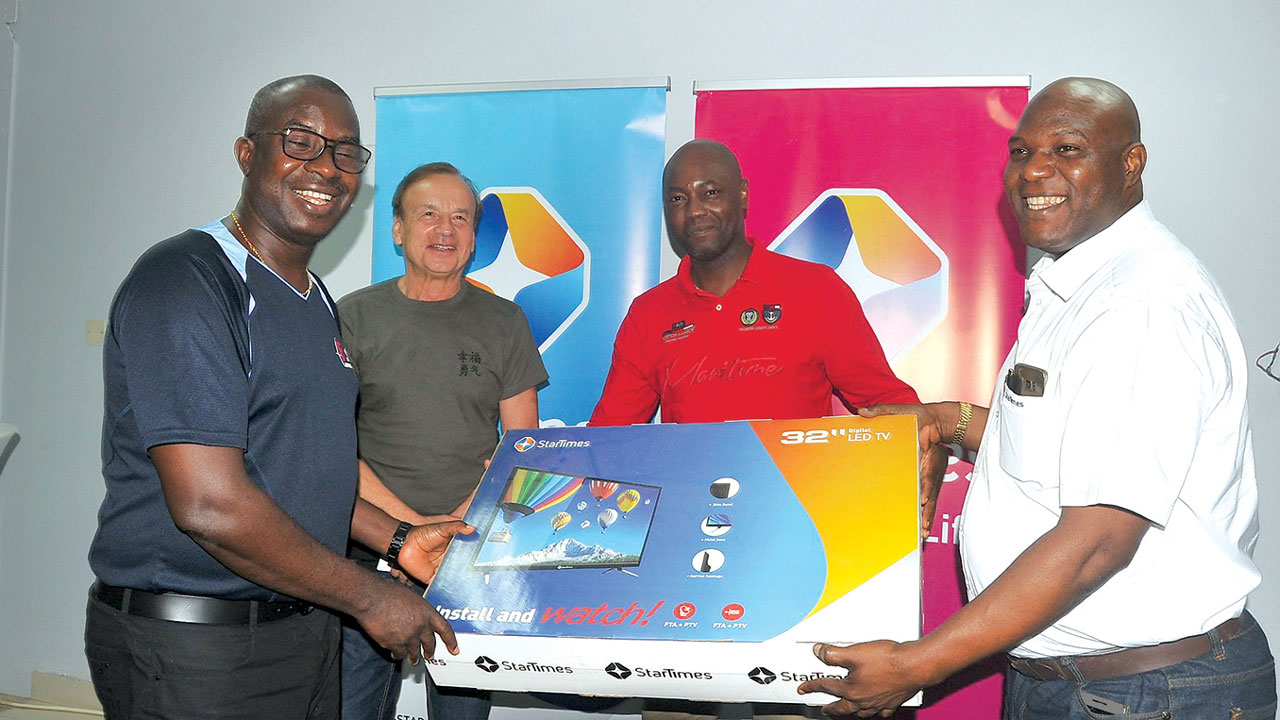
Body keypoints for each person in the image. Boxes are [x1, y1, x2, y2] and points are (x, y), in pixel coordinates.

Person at [800, 77, 1277, 719]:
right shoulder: (1072, 281)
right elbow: (1056, 442)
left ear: (1132, 163)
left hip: (1147, 692)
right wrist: (946, 419)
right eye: (1021, 151)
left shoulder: (1141, 304)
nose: (1033, 171)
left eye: (1067, 149)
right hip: (1078, 682)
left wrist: (917, 665)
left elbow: (1098, 541)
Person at [85, 75, 470, 720]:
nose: (327, 166)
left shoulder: (315, 298)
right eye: (300, 142)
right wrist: (369, 596)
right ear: (247, 153)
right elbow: (210, 504)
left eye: (345, 152)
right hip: (194, 646)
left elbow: (301, 469)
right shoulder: (187, 280)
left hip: (302, 630)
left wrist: (397, 538)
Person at [591, 139, 945, 720]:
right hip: (685, 556)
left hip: (795, 549)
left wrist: (924, 445)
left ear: (743, 196)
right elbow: (609, 439)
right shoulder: (649, 314)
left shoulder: (814, 290)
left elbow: (886, 404)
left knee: (789, 708)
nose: (695, 210)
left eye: (710, 192)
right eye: (678, 198)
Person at [337, 162, 547, 720]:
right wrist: (402, 535)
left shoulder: (505, 322)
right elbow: (331, 446)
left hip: (468, 553)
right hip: (367, 556)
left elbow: (523, 448)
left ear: (474, 237)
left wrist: (454, 530)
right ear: (398, 229)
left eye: (460, 217)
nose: (445, 229)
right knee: (352, 707)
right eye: (428, 214)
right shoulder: (351, 317)